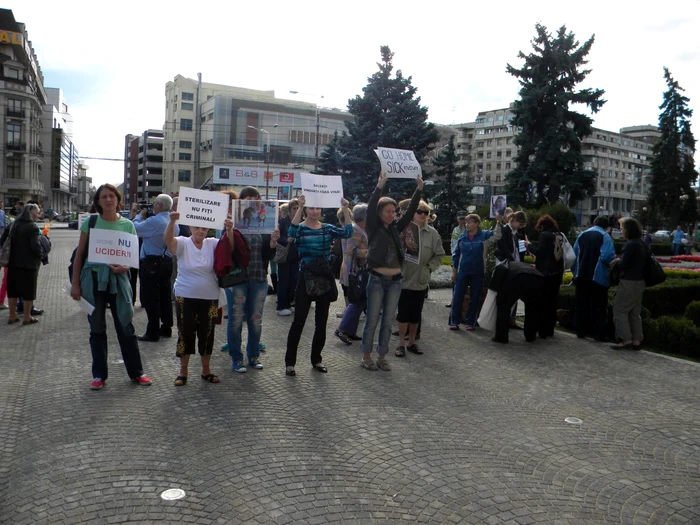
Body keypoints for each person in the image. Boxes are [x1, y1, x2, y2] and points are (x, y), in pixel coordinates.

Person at [70, 184, 151, 390]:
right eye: (103, 197)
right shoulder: (91, 222)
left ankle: (137, 372)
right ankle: (99, 375)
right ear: (98, 201)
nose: (108, 200)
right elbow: (79, 255)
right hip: (94, 281)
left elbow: (132, 259)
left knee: (126, 326)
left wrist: (123, 267)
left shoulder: (128, 225)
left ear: (117, 200)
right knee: (97, 329)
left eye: (111, 196)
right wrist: (75, 284)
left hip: (118, 281)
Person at [360, 173, 423, 372]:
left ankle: (382, 356)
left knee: (387, 322)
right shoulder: (373, 227)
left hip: (395, 281)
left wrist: (419, 188)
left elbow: (411, 209)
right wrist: (380, 184)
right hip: (377, 280)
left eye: (394, 211)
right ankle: (366, 356)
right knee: (372, 320)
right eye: (387, 211)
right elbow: (370, 207)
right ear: (379, 214)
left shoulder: (396, 228)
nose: (392, 214)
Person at [285, 195, 353, 376]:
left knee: (321, 322)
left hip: (323, 278)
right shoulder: (299, 229)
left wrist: (345, 209)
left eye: (318, 208)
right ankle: (290, 362)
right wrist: (299, 206)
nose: (315, 211)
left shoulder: (328, 228)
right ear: (307, 210)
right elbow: (290, 235)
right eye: (311, 208)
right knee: (298, 321)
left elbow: (348, 232)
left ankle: (317, 359)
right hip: (305, 279)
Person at [164, 210, 222, 385]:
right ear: (190, 227)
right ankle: (183, 372)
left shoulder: (213, 243)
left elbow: (230, 248)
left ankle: (206, 370)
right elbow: (169, 243)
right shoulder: (183, 242)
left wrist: (229, 229)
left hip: (210, 297)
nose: (200, 231)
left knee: (208, 333)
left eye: (204, 228)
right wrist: (171, 222)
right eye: (197, 227)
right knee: (185, 333)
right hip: (185, 296)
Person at [227, 186, 278, 373]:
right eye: (246, 199)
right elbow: (228, 251)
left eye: (253, 198)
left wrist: (272, 242)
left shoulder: (266, 223)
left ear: (258, 201)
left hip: (258, 277)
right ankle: (236, 358)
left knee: (255, 320)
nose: (250, 201)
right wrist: (229, 231)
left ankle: (253, 356)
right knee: (235, 320)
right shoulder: (234, 222)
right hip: (237, 279)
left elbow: (269, 255)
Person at [395, 200, 444, 356]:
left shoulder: (433, 234)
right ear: (413, 213)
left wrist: (429, 268)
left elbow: (439, 254)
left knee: (416, 314)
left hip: (421, 279)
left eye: (426, 212)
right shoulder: (404, 230)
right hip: (404, 277)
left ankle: (412, 343)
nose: (423, 215)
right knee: (403, 314)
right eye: (419, 212)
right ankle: (401, 344)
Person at [131, 194, 178, 342]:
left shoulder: (155, 221)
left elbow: (134, 228)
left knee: (151, 297)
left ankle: (152, 331)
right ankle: (167, 327)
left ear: (158, 205)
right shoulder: (173, 222)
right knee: (165, 296)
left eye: (154, 204)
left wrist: (139, 215)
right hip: (167, 261)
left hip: (152, 263)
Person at [449, 212, 502, 331]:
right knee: (458, 296)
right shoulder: (462, 237)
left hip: (478, 271)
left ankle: (470, 322)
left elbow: (497, 235)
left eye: (469, 222)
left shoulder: (484, 236)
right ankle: (454, 321)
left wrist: (498, 222)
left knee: (475, 297)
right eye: (466, 222)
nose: (466, 224)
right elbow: (455, 255)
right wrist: (454, 271)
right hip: (463, 270)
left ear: (477, 224)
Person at [572, 215, 616, 341]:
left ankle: (580, 332)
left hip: (581, 276)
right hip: (598, 278)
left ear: (593, 223)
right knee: (599, 307)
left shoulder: (582, 235)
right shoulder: (605, 237)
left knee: (581, 304)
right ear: (606, 226)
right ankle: (599, 334)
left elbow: (574, 255)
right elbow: (607, 256)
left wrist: (575, 273)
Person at [1, 204, 43, 325]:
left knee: (13, 290)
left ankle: (12, 316)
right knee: (28, 292)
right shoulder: (32, 227)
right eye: (37, 213)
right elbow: (35, 247)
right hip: (29, 265)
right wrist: (41, 255)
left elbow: (3, 240)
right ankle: (27, 317)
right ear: (31, 213)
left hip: (12, 263)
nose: (38, 215)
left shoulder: (12, 225)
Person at [334, 203, 369, 344]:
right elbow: (351, 250)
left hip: (356, 269)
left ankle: (351, 331)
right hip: (354, 270)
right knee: (356, 301)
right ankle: (342, 329)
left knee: (360, 301)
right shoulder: (355, 230)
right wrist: (372, 252)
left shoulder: (359, 228)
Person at [611, 218, 646, 351]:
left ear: (628, 230)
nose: (621, 230)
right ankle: (637, 339)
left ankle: (625, 339)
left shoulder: (630, 244)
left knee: (620, 311)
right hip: (640, 281)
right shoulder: (642, 244)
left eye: (622, 228)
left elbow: (623, 264)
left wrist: (614, 263)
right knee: (634, 312)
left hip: (629, 281)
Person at [491, 262, 544, 344]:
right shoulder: (512, 265)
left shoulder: (502, 269)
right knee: (532, 308)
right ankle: (530, 336)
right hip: (538, 278)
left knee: (503, 305)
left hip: (518, 277)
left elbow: (495, 287)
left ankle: (501, 337)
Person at [532, 214, 564, 338]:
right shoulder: (559, 235)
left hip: (545, 273)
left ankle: (542, 329)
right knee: (552, 302)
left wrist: (529, 245)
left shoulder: (545, 235)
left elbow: (539, 252)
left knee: (542, 301)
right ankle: (550, 329)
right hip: (557, 273)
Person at [276, 200, 300, 316]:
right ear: (290, 210)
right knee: (283, 281)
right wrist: (286, 240)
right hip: (284, 255)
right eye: (294, 208)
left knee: (293, 281)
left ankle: (288, 303)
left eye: (298, 208)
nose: (296, 210)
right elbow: (277, 237)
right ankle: (281, 306)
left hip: (296, 255)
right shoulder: (283, 222)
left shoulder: (301, 222)